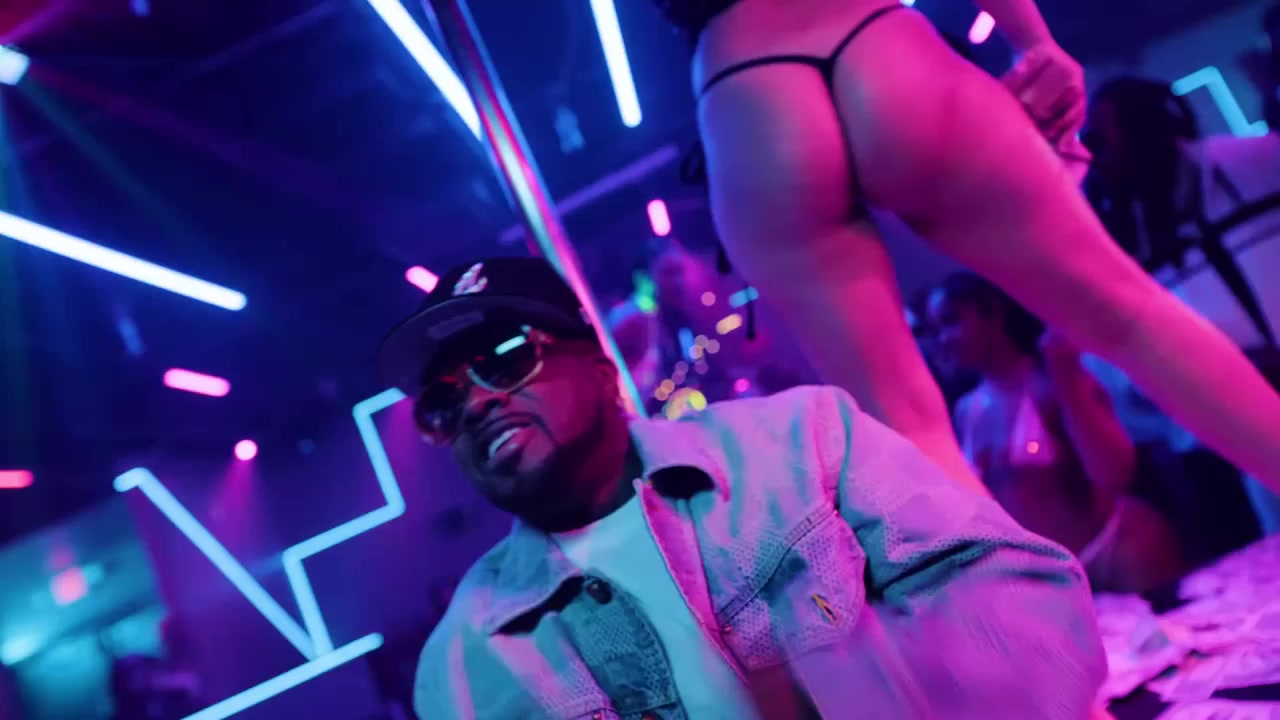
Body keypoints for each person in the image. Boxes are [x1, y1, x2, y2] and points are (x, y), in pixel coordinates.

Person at [378, 257, 1106, 719]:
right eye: (443, 401)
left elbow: (1021, 599)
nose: (476, 402)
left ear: (600, 367)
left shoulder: (802, 441)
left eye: (505, 360)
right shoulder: (462, 662)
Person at [649, 0, 1280, 499]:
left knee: (905, 425)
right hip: (875, 38)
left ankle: (1024, 630)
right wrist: (1032, 40)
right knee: (1129, 318)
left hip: (744, 93)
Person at [929, 272, 1186, 592]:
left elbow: (1115, 474)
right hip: (1047, 576)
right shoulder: (965, 411)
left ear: (992, 313)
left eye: (951, 322)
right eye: (936, 330)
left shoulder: (1053, 382)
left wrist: (1067, 382)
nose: (943, 339)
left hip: (1115, 549)